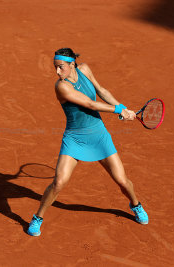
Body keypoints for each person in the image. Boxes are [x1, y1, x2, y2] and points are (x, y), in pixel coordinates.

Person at [26, 48, 148, 237]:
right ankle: (37, 218)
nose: (57, 72)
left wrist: (122, 107)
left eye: (60, 67)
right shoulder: (62, 87)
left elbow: (101, 91)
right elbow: (90, 104)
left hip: (99, 136)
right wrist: (117, 110)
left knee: (122, 181)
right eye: (55, 68)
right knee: (58, 182)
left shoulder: (85, 70)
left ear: (72, 64)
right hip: (74, 139)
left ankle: (136, 205)